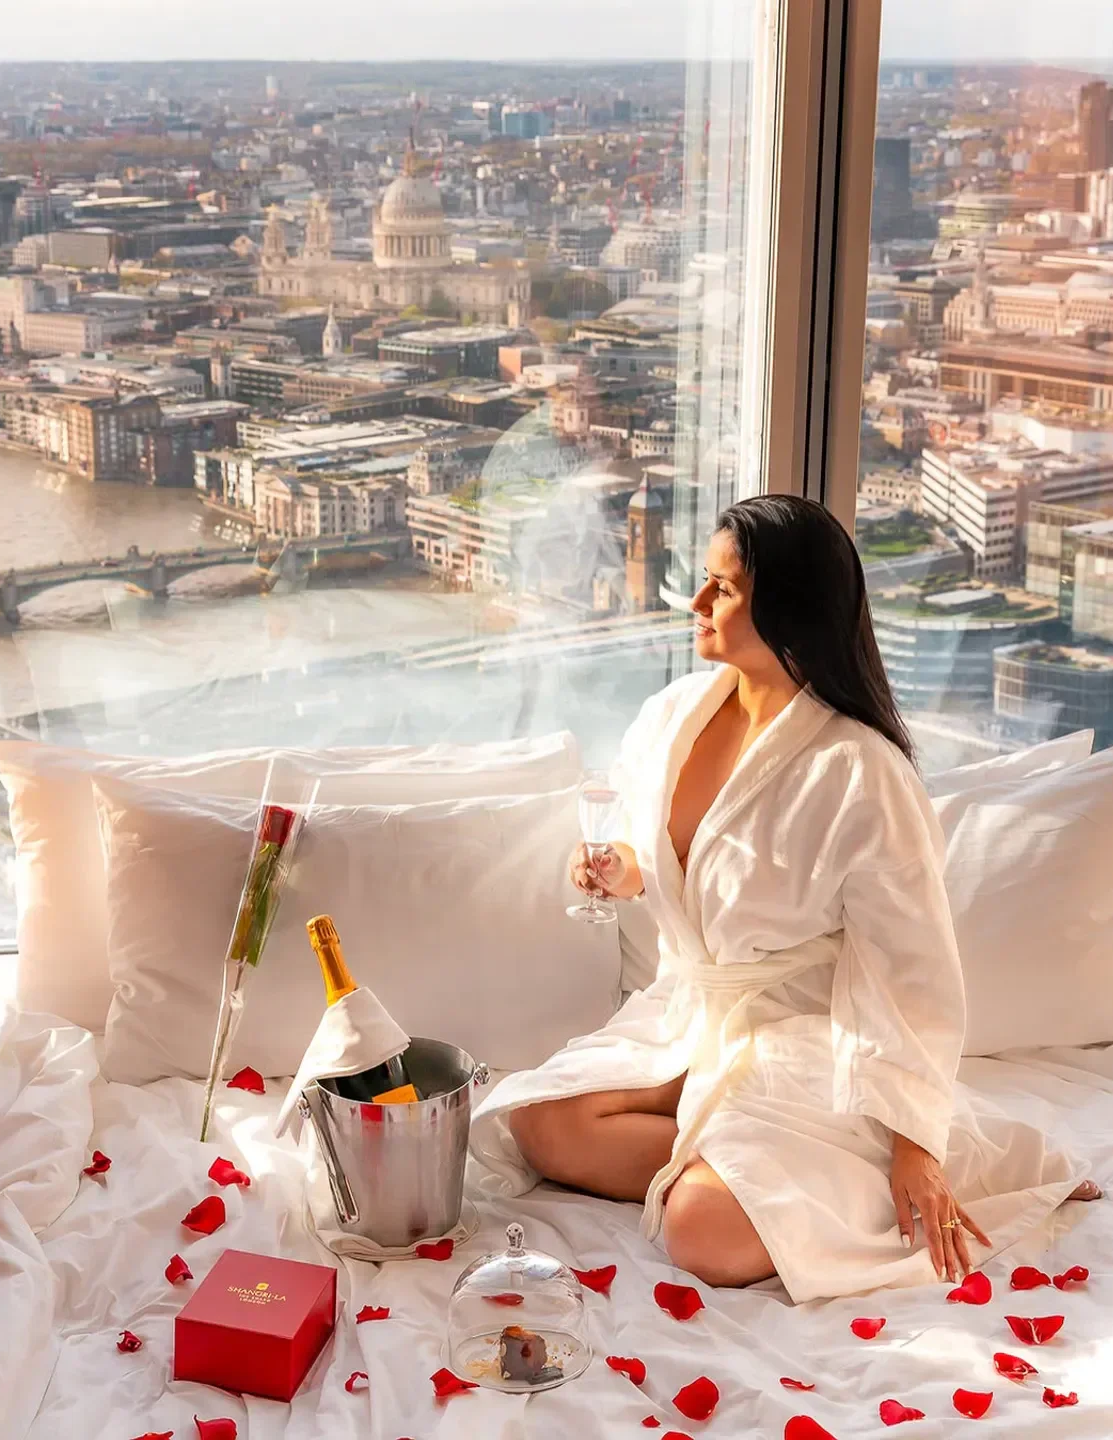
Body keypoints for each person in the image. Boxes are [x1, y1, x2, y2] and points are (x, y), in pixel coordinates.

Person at [469, 495, 1099, 1304]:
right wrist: (617, 872)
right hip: (692, 1017)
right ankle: (737, 1163)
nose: (695, 603)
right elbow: (658, 860)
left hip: (803, 1038)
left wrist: (911, 1141)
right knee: (541, 1124)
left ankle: (929, 1162)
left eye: (721, 590)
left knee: (701, 1235)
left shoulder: (859, 771)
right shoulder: (669, 718)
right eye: (702, 582)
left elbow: (910, 969)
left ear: (789, 607)